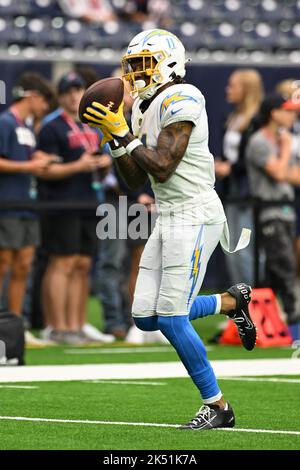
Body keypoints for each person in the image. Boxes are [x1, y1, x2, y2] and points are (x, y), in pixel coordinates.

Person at [83, 29, 256, 430]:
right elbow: (133, 180)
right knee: (145, 317)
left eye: (144, 63)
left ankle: (218, 406)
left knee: (173, 318)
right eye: (132, 66)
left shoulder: (185, 96)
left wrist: (124, 133)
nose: (136, 73)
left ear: (169, 62)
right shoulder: (144, 105)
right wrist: (114, 138)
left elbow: (162, 165)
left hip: (195, 213)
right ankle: (229, 303)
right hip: (168, 213)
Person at [37, 72, 112, 344]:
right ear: (59, 96)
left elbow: (98, 166)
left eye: (78, 90)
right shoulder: (51, 127)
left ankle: (76, 324)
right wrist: (77, 166)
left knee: (83, 264)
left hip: (89, 200)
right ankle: (57, 326)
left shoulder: (92, 126)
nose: (73, 96)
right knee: (62, 262)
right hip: (62, 202)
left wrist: (102, 167)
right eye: (68, 91)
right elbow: (43, 170)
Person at [0, 72, 55, 345]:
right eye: (44, 100)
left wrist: (38, 158)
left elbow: (24, 157)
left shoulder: (26, 126)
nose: (46, 106)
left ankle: (15, 326)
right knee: (4, 265)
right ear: (32, 96)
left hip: (27, 205)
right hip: (8, 204)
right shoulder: (6, 122)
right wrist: (29, 166)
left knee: (23, 266)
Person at [246, 93, 300, 334]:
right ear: (273, 113)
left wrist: (283, 163)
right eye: (287, 110)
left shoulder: (281, 141)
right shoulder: (260, 142)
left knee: (273, 273)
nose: (292, 115)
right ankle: (295, 322)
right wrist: (286, 149)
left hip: (287, 210)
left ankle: (261, 322)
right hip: (270, 211)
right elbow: (280, 173)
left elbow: (293, 176)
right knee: (284, 267)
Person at [215, 69, 264, 286]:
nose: (228, 89)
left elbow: (254, 158)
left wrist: (230, 168)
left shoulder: (257, 120)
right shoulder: (232, 118)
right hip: (230, 191)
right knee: (231, 248)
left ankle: (255, 302)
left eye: (232, 85)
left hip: (248, 193)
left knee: (246, 250)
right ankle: (239, 307)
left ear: (246, 89)